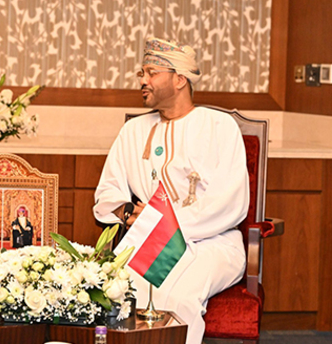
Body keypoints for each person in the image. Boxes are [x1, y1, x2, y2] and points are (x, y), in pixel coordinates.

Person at [93, 38, 249, 344]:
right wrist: (128, 215)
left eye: (151, 73)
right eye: (142, 73)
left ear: (180, 79)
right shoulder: (134, 131)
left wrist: (161, 221)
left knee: (180, 295)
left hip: (213, 244)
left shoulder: (220, 126)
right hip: (149, 243)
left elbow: (231, 203)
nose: (142, 81)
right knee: (119, 293)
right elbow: (106, 196)